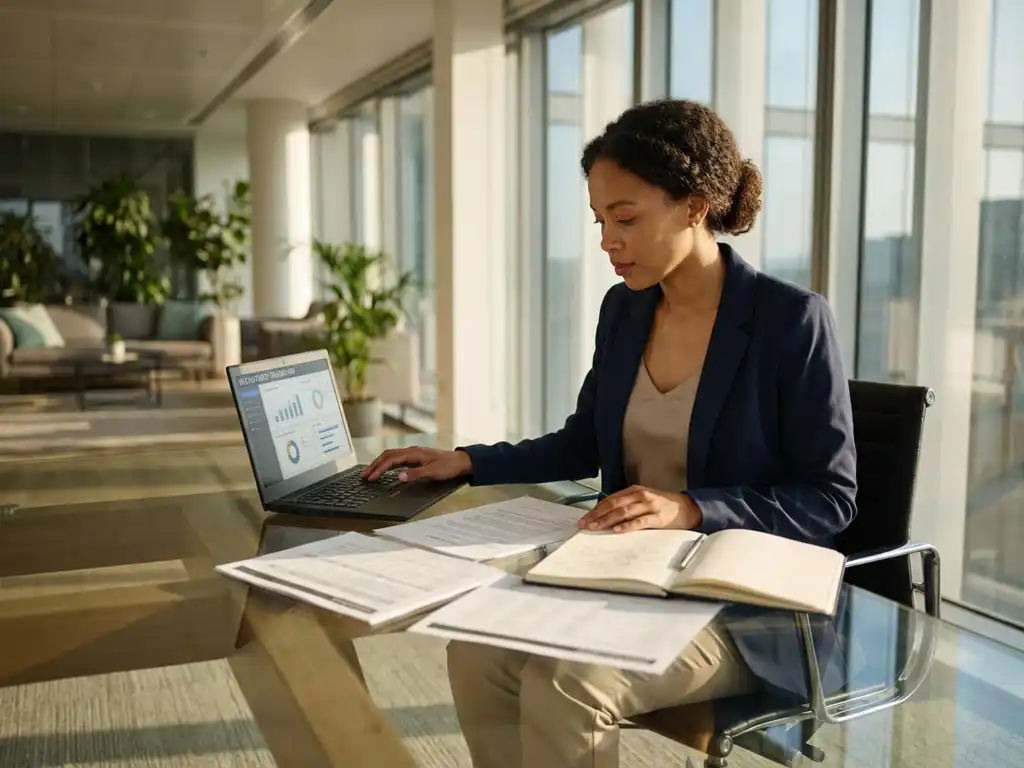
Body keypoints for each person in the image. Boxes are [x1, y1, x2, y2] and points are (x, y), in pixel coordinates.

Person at [361, 99, 857, 768]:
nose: (607, 241)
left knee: (569, 684)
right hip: (630, 578)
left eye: (625, 219)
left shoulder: (790, 320)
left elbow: (829, 498)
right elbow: (582, 442)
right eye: (600, 221)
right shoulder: (625, 311)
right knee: (476, 651)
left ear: (694, 205)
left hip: (743, 606)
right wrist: (465, 460)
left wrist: (689, 508)